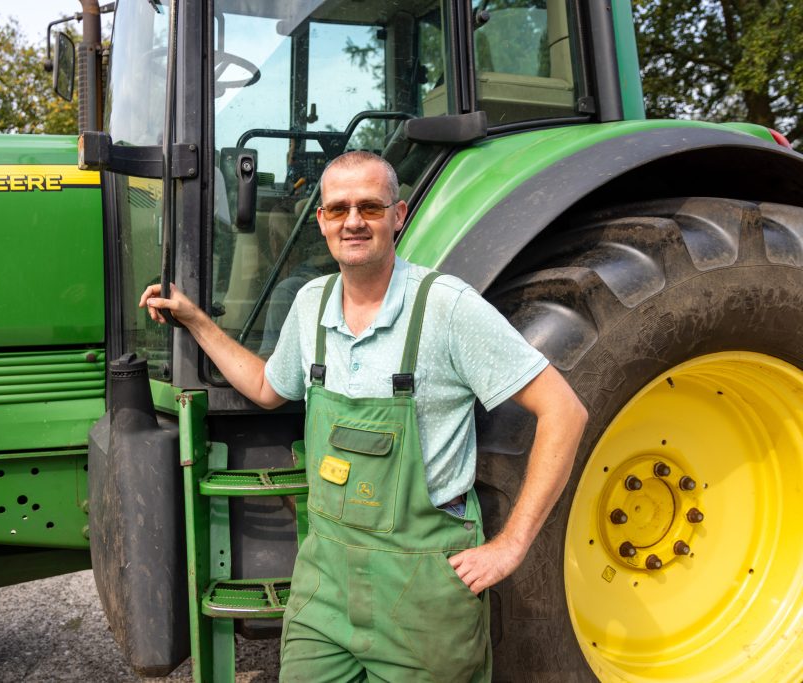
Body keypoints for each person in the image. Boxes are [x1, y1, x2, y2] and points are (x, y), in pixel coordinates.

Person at [140, 151, 588, 682]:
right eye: (339, 209)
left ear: (398, 216)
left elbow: (565, 409)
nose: (354, 221)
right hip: (324, 583)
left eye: (370, 207)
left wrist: (510, 546)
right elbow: (265, 388)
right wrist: (197, 322)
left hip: (421, 590)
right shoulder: (311, 303)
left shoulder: (445, 308)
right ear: (322, 221)